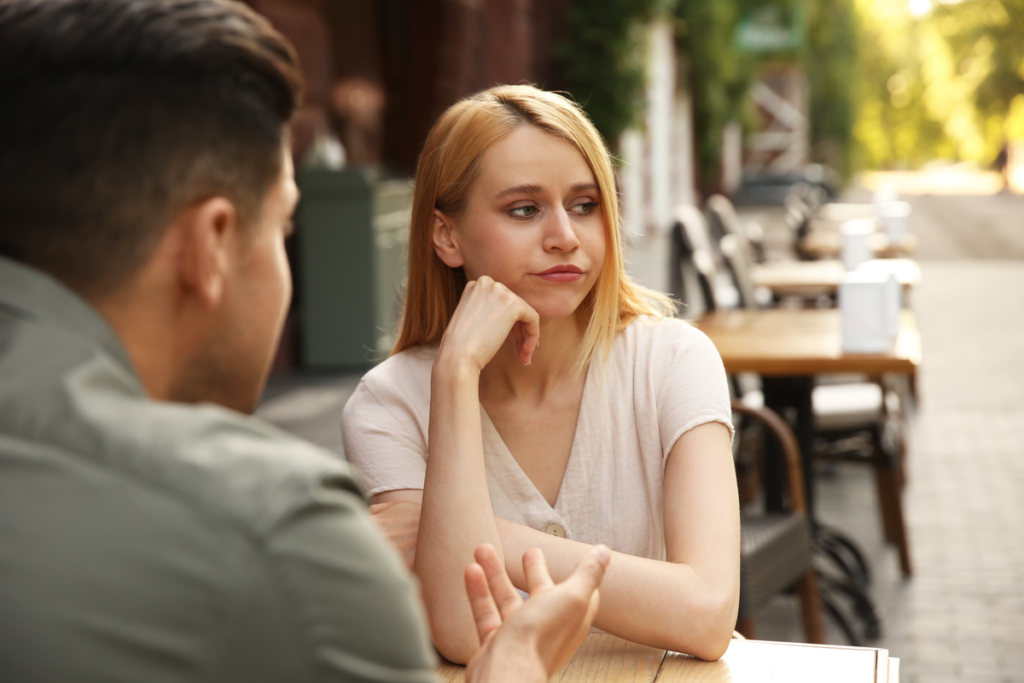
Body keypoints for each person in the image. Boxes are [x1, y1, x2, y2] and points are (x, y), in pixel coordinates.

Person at [0, 2, 609, 682]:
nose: (563, 232)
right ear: (212, 245)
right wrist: (515, 667)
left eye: (584, 204)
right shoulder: (274, 530)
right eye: (283, 225)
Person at [342, 85, 741, 665]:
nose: (565, 237)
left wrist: (472, 534)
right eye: (524, 210)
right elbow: (464, 636)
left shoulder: (673, 361)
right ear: (446, 236)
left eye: (584, 205)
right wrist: (455, 374)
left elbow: (707, 614)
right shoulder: (389, 404)